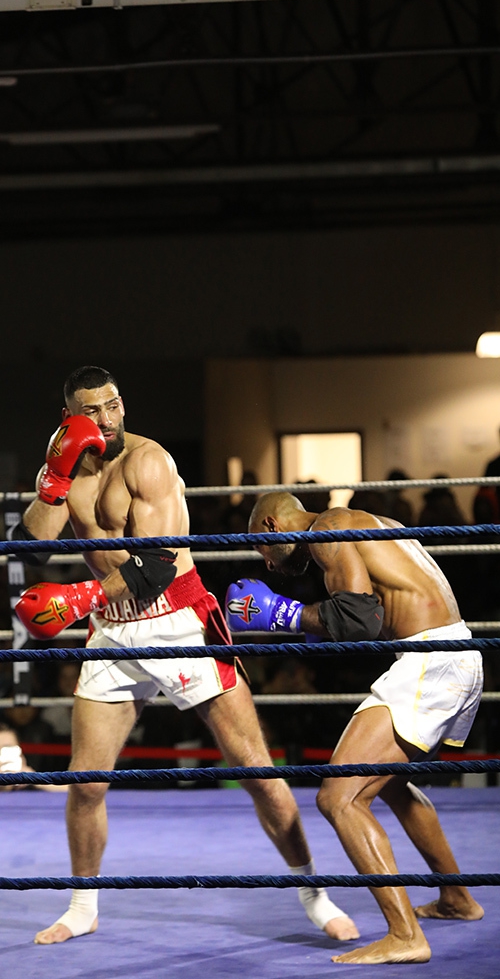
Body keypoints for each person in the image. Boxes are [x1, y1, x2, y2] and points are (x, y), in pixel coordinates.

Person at [14, 365, 358, 946]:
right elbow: (30, 553)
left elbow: (157, 565)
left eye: (114, 405)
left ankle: (314, 893)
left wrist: (80, 596)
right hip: (113, 632)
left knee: (255, 769)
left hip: (178, 619)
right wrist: (52, 480)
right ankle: (82, 906)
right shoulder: (65, 460)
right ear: (70, 417)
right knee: (86, 781)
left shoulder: (149, 462)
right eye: (92, 411)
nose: (107, 419)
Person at [225, 491, 484, 965]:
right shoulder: (367, 521)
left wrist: (277, 614)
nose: (266, 564)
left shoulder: (327, 528)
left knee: (338, 796)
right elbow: (372, 612)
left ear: (270, 526)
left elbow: (359, 620)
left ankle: (405, 935)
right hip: (454, 653)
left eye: (260, 549)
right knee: (392, 786)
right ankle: (457, 899)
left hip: (432, 662)